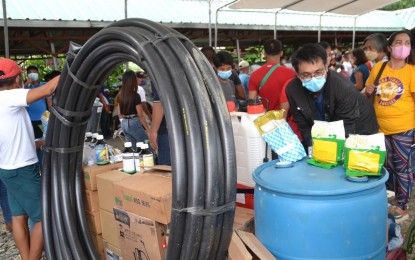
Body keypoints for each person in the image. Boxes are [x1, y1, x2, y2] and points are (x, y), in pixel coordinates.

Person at [0, 58, 59, 260]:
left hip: (7, 168)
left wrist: (39, 144)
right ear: (18, 79)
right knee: (45, 216)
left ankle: (26, 257)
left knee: (19, 216)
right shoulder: (11, 96)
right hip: (22, 169)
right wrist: (74, 67)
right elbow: (49, 88)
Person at [285, 43, 379, 149]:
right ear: (297, 74)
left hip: (360, 129)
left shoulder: (343, 88)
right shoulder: (292, 90)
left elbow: (347, 127)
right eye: (306, 75)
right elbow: (303, 125)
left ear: (326, 67)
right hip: (327, 129)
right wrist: (312, 148)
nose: (313, 78)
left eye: (318, 72)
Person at [365, 30, 415, 222]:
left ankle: (402, 207)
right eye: (399, 42)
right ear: (389, 47)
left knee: (403, 168)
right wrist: (368, 90)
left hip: (404, 128)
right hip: (380, 128)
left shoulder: (411, 71)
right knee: (388, 166)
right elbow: (368, 93)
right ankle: (395, 199)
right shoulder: (379, 68)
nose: (404, 46)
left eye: (408, 43)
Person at [248, 39, 296, 111]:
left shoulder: (254, 74)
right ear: (281, 53)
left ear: (264, 54)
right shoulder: (291, 73)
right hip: (285, 118)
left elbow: (251, 102)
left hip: (264, 118)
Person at [118, 70, 150, 150]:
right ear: (133, 80)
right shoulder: (135, 95)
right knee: (147, 146)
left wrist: (123, 122)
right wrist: (148, 130)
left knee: (133, 149)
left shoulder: (120, 95)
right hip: (134, 122)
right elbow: (140, 115)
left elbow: (120, 112)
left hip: (124, 123)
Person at [24, 66, 49, 139]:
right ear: (27, 75)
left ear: (38, 73)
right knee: (32, 140)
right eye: (30, 73)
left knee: (45, 138)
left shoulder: (44, 85)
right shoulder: (24, 87)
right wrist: (26, 84)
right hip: (29, 119)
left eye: (34, 72)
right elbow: (16, 93)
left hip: (44, 117)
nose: (32, 74)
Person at [149, 85, 171, 165]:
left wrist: (153, 131)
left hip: (167, 129)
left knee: (165, 167)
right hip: (187, 127)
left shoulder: (160, 75)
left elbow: (160, 104)